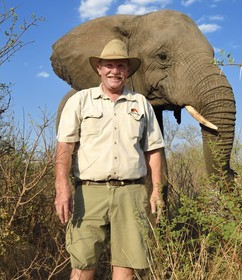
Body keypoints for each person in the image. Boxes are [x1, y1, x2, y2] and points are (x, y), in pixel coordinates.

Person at [54, 39, 165, 280]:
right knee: (83, 264)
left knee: (126, 265)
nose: (115, 71)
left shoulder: (141, 103)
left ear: (128, 70)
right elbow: (65, 146)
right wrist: (61, 187)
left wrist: (156, 190)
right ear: (99, 69)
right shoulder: (80, 101)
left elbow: (153, 150)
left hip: (131, 192)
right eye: (109, 65)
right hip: (89, 193)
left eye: (121, 66)